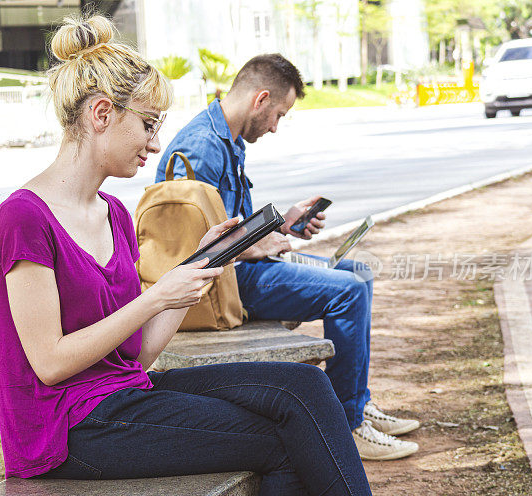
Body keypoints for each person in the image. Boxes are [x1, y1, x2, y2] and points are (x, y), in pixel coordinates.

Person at [0, 15, 389, 496]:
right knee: (291, 442)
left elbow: (139, 354)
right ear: (102, 113)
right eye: (150, 124)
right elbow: (49, 363)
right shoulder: (24, 217)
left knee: (303, 387)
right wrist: (155, 298)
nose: (156, 145)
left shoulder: (113, 214)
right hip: (65, 433)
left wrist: (203, 263)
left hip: (123, 395)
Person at [156, 54, 420, 461]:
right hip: (223, 284)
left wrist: (282, 226)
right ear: (261, 99)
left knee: (358, 273)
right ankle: (348, 424)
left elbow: (228, 219)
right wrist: (258, 246)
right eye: (278, 114)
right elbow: (190, 240)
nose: (276, 126)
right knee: (347, 292)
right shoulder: (201, 147)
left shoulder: (225, 139)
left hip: (244, 268)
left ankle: (357, 399)